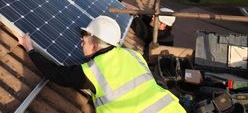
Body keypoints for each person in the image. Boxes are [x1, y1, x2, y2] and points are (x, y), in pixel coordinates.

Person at [17, 15, 186, 113]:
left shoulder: (94, 71)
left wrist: (30, 48)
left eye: (83, 41)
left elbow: (55, 73)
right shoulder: (133, 54)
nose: (80, 44)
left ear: (95, 45)